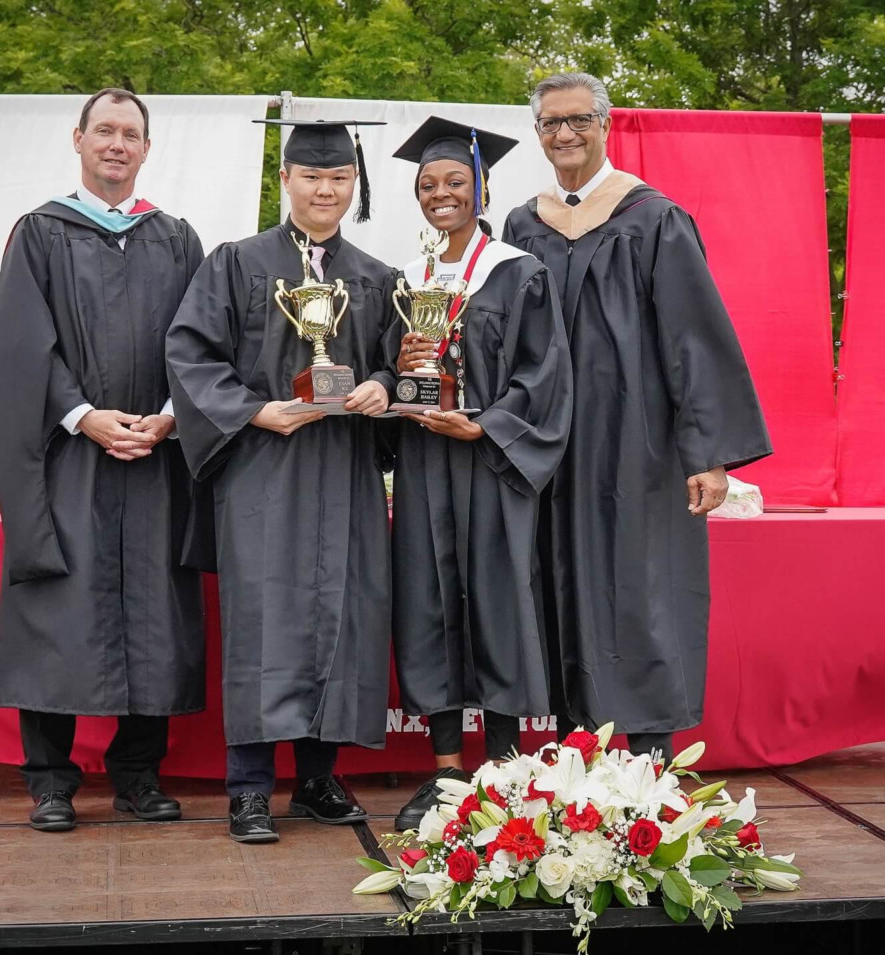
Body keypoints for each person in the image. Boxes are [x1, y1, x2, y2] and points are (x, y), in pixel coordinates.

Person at [503, 72, 772, 760]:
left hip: (637, 441)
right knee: (554, 576)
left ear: (605, 124)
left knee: (642, 582)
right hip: (546, 441)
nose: (564, 134)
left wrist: (707, 452)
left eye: (578, 121)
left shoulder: (653, 217)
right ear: (538, 134)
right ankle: (569, 747)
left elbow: (694, 337)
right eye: (551, 124)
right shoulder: (522, 224)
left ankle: (649, 752)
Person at [166, 119, 395, 844]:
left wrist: (383, 387)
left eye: (339, 179)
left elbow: (401, 362)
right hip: (265, 471)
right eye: (311, 176)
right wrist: (255, 409)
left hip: (348, 471)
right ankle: (250, 788)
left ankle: (320, 778)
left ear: (353, 186)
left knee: (341, 620)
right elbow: (190, 354)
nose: (325, 189)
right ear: (285, 180)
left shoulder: (377, 276)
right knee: (265, 623)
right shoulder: (235, 263)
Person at [0, 88, 206, 832]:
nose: (117, 144)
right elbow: (18, 345)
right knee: (57, 606)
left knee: (152, 611)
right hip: (69, 457)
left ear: (147, 149)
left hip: (154, 451)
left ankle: (139, 774)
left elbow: (203, 341)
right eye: (104, 131)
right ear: (78, 139)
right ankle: (50, 779)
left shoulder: (175, 237)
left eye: (131, 134)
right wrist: (83, 416)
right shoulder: (42, 232)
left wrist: (173, 415)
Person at [387, 117, 573, 831]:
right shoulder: (410, 278)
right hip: (428, 461)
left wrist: (486, 423)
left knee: (497, 601)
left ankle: (500, 766)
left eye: (455, 182)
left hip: (491, 463)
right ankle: (443, 772)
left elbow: (544, 375)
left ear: (482, 187)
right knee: (429, 602)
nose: (442, 194)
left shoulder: (518, 271)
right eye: (429, 184)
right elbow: (389, 367)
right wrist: (402, 369)